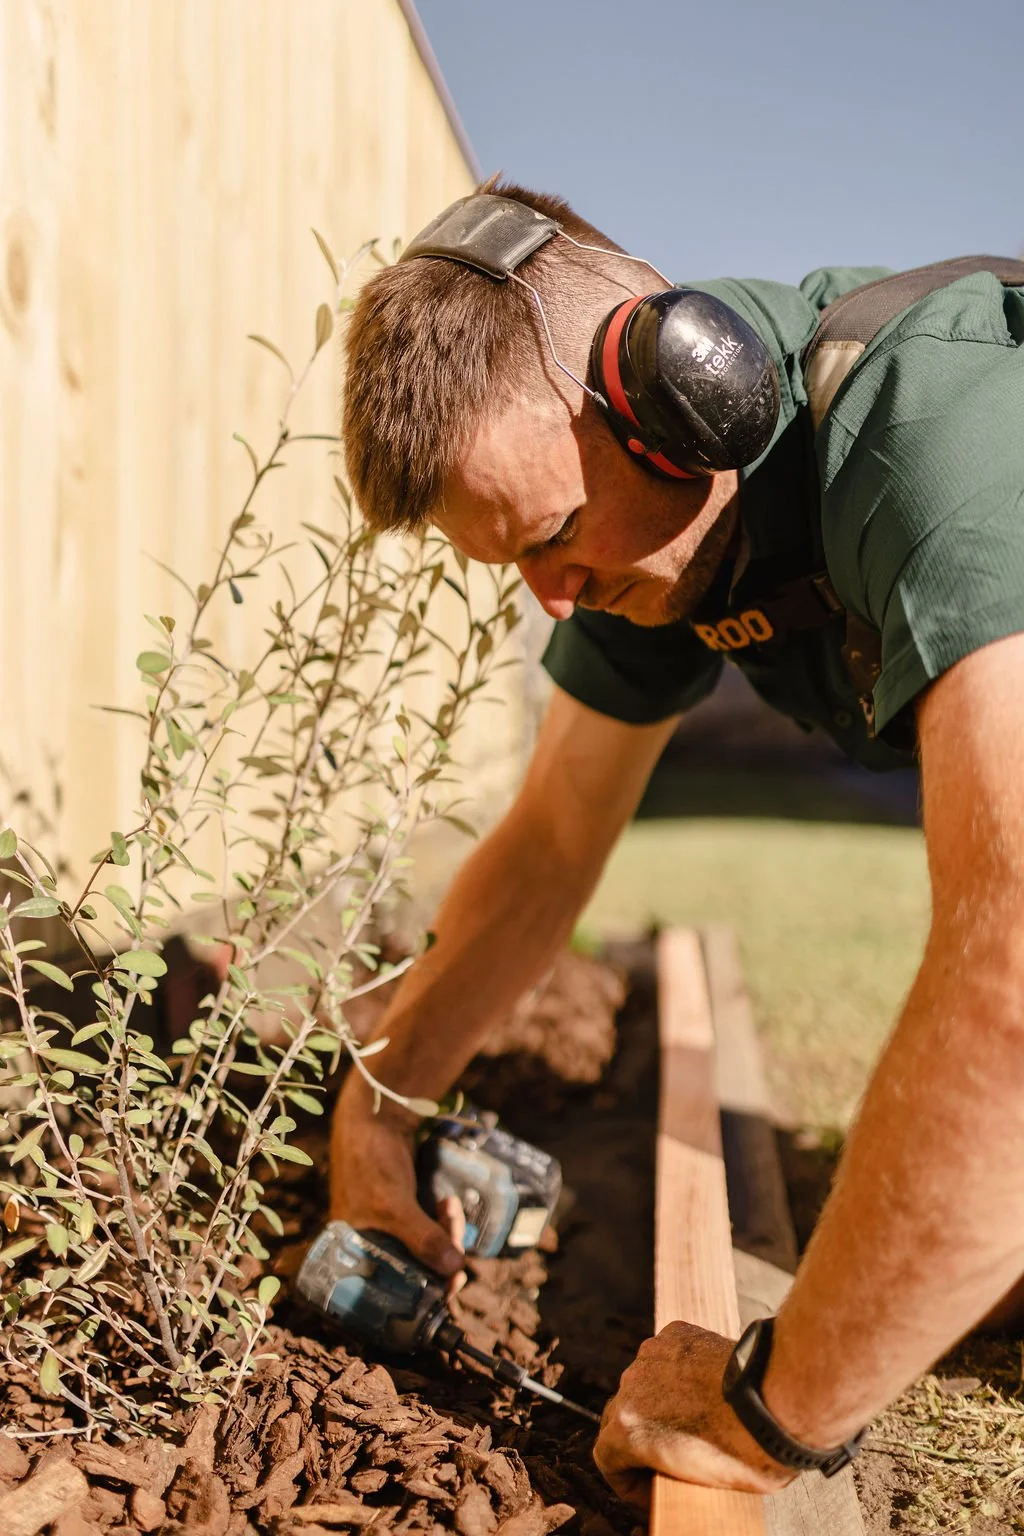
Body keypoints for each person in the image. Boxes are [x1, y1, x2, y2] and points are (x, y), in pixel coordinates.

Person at [330, 177, 1024, 1504]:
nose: (555, 598)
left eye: (551, 541)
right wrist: (380, 1100)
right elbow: (546, 849)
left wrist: (771, 1411)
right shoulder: (653, 552)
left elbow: (1012, 977)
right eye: (516, 573)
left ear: (676, 392)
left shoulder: (938, 445)